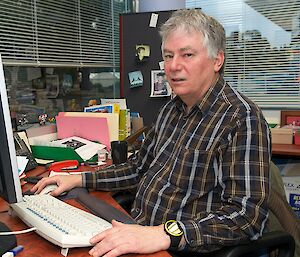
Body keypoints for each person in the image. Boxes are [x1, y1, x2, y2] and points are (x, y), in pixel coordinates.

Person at [32, 9, 271, 257]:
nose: (174, 66)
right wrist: (80, 179)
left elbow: (246, 217)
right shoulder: (171, 109)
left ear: (217, 60)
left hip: (178, 247)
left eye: (187, 54)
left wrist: (165, 234)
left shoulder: (241, 118)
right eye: (168, 56)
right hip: (137, 232)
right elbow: (138, 168)